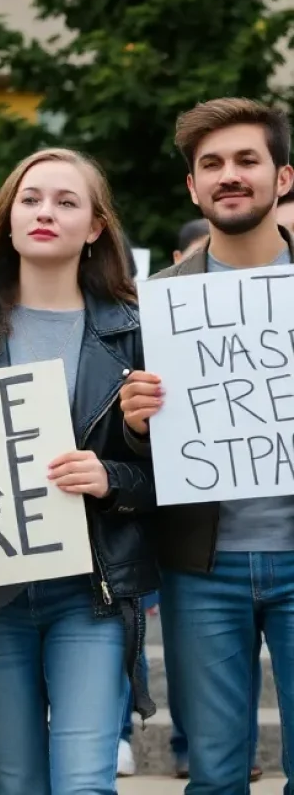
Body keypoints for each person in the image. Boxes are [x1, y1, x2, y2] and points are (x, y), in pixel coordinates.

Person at [0, 147, 159, 795]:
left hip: (92, 595)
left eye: (66, 201)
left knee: (84, 784)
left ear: (97, 226)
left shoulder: (136, 332)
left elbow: (179, 479)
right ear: (9, 217)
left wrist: (114, 474)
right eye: (30, 199)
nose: (44, 212)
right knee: (15, 784)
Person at [121, 97, 294, 795]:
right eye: (211, 164)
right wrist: (134, 424)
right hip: (200, 568)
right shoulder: (155, 302)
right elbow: (125, 458)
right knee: (216, 775)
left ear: (283, 177)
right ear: (192, 187)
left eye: (247, 160)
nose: (230, 175)